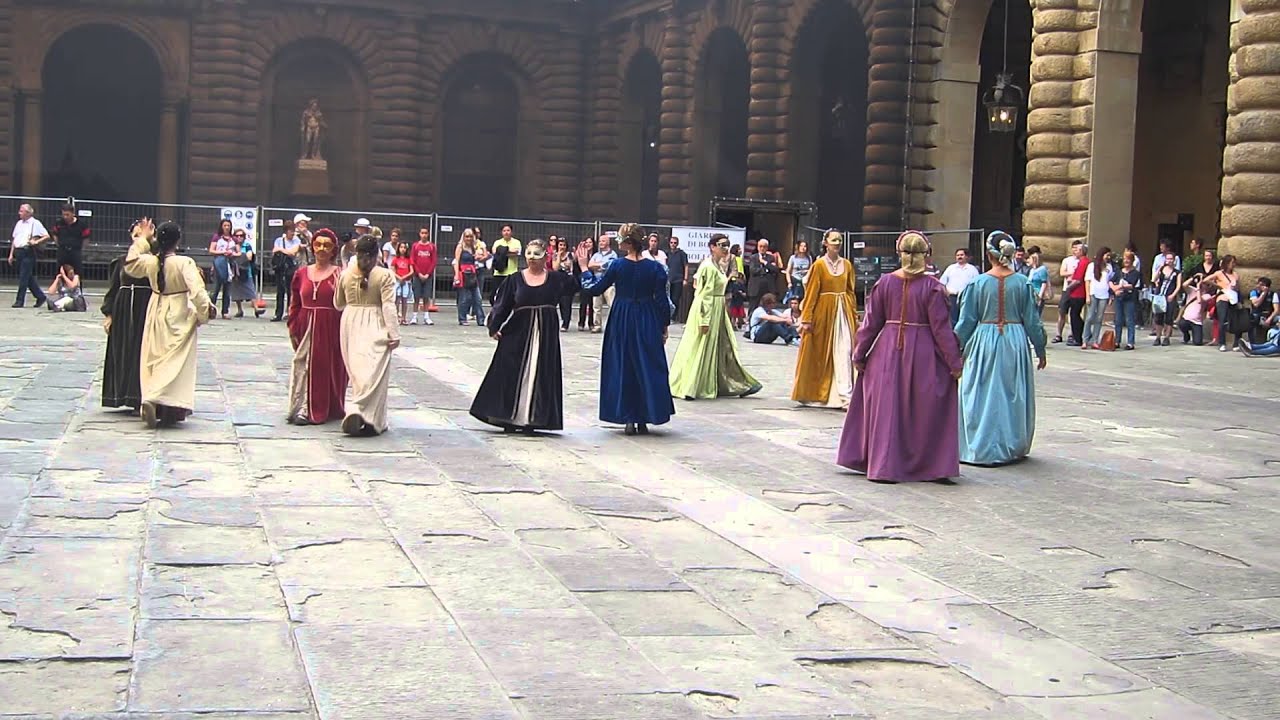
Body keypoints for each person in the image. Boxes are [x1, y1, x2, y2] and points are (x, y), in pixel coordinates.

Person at [838, 231, 963, 483]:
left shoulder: (885, 283)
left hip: (886, 352)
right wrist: (954, 364)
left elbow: (871, 323)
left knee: (888, 407)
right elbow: (941, 330)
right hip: (924, 354)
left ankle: (884, 465)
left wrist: (860, 354)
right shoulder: (933, 288)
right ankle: (929, 465)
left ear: (899, 253)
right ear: (926, 255)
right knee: (922, 409)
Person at [955, 232, 1048, 466]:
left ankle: (979, 444)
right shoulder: (1022, 283)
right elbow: (1033, 321)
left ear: (989, 255)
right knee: (1010, 392)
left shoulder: (977, 284)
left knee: (980, 391)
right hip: (1014, 340)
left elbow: (966, 321)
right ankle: (1010, 443)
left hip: (984, 339)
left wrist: (956, 346)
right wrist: (1040, 347)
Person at [471, 240, 579, 434]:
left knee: (540, 373)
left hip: (545, 333)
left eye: (536, 255)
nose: (531, 259)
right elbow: (501, 304)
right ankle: (509, 418)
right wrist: (494, 326)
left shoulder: (555, 279)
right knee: (511, 369)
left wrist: (572, 266)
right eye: (528, 254)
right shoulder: (515, 279)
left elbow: (576, 286)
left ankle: (533, 419)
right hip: (518, 331)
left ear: (545, 257)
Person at [575, 224, 675, 435]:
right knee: (647, 365)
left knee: (624, 364)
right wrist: (663, 325)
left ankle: (628, 417)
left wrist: (584, 269)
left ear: (628, 243)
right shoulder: (656, 268)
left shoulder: (617, 266)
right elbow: (662, 301)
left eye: (621, 240)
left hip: (623, 316)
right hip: (647, 316)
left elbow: (594, 289)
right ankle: (645, 416)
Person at [126, 218, 212, 428]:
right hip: (178, 311)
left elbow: (130, 264)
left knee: (153, 358)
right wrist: (205, 313)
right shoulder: (185, 263)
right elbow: (198, 292)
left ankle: (151, 397)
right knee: (175, 360)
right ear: (178, 240)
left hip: (156, 308)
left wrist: (142, 239)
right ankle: (158, 399)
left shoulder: (150, 261)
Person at [668, 234, 762, 400]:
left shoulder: (716, 265)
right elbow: (703, 294)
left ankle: (733, 382)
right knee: (702, 345)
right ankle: (692, 385)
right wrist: (704, 319)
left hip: (717, 309)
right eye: (721, 245)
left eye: (727, 245)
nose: (725, 248)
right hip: (708, 309)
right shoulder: (708, 267)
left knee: (722, 345)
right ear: (712, 246)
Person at [336, 235, 400, 436]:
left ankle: (363, 413)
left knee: (357, 372)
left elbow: (337, 303)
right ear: (377, 254)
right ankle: (363, 412)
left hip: (350, 321)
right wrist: (394, 332)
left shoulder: (345, 274)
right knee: (375, 373)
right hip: (376, 321)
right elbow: (388, 305)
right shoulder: (385, 275)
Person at [791, 230, 859, 407]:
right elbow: (812, 292)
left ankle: (845, 395)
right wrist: (806, 318)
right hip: (823, 313)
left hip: (842, 313)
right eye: (834, 239)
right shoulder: (819, 265)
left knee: (845, 351)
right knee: (820, 353)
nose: (837, 242)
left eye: (839, 240)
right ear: (826, 243)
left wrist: (854, 315)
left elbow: (850, 292)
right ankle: (817, 393)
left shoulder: (847, 265)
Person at [286, 229, 347, 426]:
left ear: (333, 250)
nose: (321, 249)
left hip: (329, 325)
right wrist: (292, 325)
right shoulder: (301, 273)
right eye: (318, 244)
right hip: (305, 324)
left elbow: (346, 304)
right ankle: (299, 404)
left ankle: (313, 408)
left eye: (326, 245)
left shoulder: (340, 274)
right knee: (302, 364)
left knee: (322, 366)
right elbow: (295, 302)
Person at [101, 236, 154, 410]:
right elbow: (113, 288)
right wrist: (109, 314)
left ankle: (139, 396)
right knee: (123, 349)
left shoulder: (153, 261)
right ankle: (120, 395)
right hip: (123, 308)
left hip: (145, 306)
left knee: (141, 349)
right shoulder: (122, 262)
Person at [9, 203, 50, 308]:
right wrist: (11, 254)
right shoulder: (19, 223)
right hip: (19, 251)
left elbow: (46, 236)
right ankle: (40, 296)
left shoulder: (35, 223)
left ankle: (20, 300)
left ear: (28, 213)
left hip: (28, 251)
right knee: (28, 277)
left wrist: (36, 242)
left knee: (23, 277)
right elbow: (15, 239)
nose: (19, 213)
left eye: (21, 211)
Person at [1208, 254, 1245, 352]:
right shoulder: (1219, 273)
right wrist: (1219, 286)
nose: (1233, 264)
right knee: (1222, 320)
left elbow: (1238, 288)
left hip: (1233, 299)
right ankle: (1222, 342)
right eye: (1232, 262)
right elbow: (1206, 279)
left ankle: (1236, 343)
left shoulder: (1235, 275)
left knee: (1236, 321)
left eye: (1234, 263)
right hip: (1223, 298)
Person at [1053, 240, 1086, 345]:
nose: (1076, 250)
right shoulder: (1067, 260)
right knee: (1062, 312)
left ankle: (1073, 335)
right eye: (1074, 248)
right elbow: (1062, 272)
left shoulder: (1081, 261)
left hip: (1076, 290)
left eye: (1078, 249)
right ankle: (1059, 334)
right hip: (1067, 289)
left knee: (1074, 314)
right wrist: (1073, 272)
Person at [271, 220, 304, 322]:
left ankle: (290, 312)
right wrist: (283, 250)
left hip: (291, 267)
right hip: (281, 268)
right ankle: (278, 313)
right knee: (280, 291)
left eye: (293, 231)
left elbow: (292, 253)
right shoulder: (279, 240)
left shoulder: (296, 240)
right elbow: (274, 250)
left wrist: (281, 250)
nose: (292, 233)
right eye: (290, 231)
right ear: (286, 231)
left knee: (291, 291)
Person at [453, 227, 487, 326]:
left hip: (472, 274)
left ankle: (481, 319)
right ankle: (462, 318)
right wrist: (456, 275)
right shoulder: (460, 247)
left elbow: (481, 258)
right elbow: (456, 261)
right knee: (464, 298)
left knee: (478, 298)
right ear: (463, 237)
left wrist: (480, 257)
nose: (468, 238)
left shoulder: (473, 247)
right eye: (467, 236)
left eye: (470, 236)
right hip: (463, 274)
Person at [1081, 246, 1113, 349]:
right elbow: (1087, 281)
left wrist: (1111, 295)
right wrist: (1087, 296)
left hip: (1104, 295)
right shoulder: (1092, 266)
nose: (1108, 257)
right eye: (1107, 255)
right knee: (1090, 317)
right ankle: (1085, 340)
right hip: (1093, 293)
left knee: (1099, 318)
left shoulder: (1109, 267)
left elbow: (1110, 281)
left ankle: (1094, 340)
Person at [939, 248, 981, 325]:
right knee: (952, 320)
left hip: (966, 298)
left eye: (961, 255)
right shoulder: (950, 268)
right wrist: (946, 292)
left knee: (964, 319)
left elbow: (977, 284)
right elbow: (941, 283)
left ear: (966, 257)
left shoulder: (972, 269)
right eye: (957, 255)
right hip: (952, 298)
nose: (959, 257)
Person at [1111, 251, 1141, 350]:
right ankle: (1117, 341)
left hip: (1130, 299)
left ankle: (1130, 342)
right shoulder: (1119, 271)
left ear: (1132, 261)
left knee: (1129, 320)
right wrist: (1114, 289)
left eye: (1128, 259)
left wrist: (1121, 286)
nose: (1126, 261)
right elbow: (1111, 281)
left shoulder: (1135, 273)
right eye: (1124, 259)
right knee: (1118, 320)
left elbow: (1132, 285)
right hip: (1119, 298)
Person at [208, 219, 238, 320]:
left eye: (228, 225)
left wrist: (232, 254)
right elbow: (211, 250)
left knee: (227, 289)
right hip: (219, 264)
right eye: (225, 225)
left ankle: (225, 311)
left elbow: (239, 252)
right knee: (215, 288)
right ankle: (211, 309)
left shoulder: (233, 239)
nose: (226, 227)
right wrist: (222, 252)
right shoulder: (217, 237)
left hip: (230, 265)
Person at [229, 228, 263, 318]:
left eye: (241, 236)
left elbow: (249, 257)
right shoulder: (232, 246)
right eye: (237, 236)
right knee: (236, 291)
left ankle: (256, 309)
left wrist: (238, 255)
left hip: (246, 271)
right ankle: (239, 310)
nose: (239, 237)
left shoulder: (247, 246)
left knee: (251, 290)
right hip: (235, 272)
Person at [589, 234, 619, 333]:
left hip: (609, 285)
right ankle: (597, 325)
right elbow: (590, 265)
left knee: (612, 305)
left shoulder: (613, 254)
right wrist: (602, 265)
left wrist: (597, 266)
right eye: (600, 241)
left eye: (603, 241)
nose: (601, 243)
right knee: (596, 307)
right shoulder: (596, 255)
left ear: (608, 242)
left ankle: (614, 325)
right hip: (597, 283)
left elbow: (610, 266)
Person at [1150, 253, 1181, 347]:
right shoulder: (1162, 270)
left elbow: (1178, 285)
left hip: (1170, 295)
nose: (1169, 260)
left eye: (1171, 259)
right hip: (1160, 295)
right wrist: (1159, 269)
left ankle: (1167, 337)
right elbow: (1154, 279)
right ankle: (1158, 337)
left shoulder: (1177, 272)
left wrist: (1173, 295)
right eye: (1168, 259)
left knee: (1169, 317)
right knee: (1158, 316)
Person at [52, 204, 90, 277]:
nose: (65, 217)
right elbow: (55, 234)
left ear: (73, 214)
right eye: (63, 214)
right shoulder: (59, 223)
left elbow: (86, 237)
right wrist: (59, 244)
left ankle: (77, 287)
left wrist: (81, 248)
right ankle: (60, 287)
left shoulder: (82, 224)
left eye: (67, 214)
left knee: (77, 271)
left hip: (75, 250)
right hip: (62, 250)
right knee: (60, 271)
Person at [410, 227, 436, 326]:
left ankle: (426, 316)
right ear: (419, 234)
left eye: (426, 233)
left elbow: (433, 261)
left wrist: (427, 274)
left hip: (428, 276)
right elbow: (413, 260)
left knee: (426, 296)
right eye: (422, 233)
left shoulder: (432, 246)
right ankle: (414, 317)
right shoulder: (415, 246)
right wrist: (419, 273)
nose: (424, 235)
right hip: (417, 275)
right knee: (416, 297)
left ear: (428, 234)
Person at [490, 224, 522, 304]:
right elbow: (494, 251)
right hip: (498, 273)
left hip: (511, 273)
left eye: (508, 230)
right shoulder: (497, 242)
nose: (506, 232)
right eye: (504, 231)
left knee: (511, 295)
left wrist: (501, 251)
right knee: (495, 295)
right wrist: (508, 251)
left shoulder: (516, 242)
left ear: (511, 232)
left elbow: (516, 252)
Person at [1177, 279, 1215, 346]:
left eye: (1204, 284)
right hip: (1187, 318)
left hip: (1197, 322)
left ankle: (1195, 335)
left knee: (1197, 342)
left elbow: (1199, 300)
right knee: (1181, 324)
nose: (1202, 285)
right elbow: (1184, 285)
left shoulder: (1207, 295)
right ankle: (1186, 335)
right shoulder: (1192, 290)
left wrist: (1198, 288)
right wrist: (1193, 277)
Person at [747, 238, 782, 311]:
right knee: (753, 307)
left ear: (767, 248)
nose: (762, 248)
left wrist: (764, 262)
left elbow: (775, 270)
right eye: (760, 246)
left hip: (768, 287)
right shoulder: (753, 257)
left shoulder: (771, 257)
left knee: (767, 307)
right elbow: (753, 270)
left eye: (764, 247)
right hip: (756, 287)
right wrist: (766, 270)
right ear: (757, 247)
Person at [551, 237, 578, 330]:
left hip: (568, 280)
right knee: (560, 302)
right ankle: (562, 319)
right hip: (558, 280)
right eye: (560, 245)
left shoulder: (570, 255)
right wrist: (558, 255)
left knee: (567, 302)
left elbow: (572, 265)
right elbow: (555, 268)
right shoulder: (554, 255)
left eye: (564, 245)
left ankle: (566, 323)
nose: (562, 247)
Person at [666, 236, 690, 324]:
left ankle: (673, 317)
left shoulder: (682, 254)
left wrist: (685, 279)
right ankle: (667, 316)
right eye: (671, 242)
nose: (673, 244)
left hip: (678, 279)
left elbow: (686, 266)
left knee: (675, 299)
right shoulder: (667, 253)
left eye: (675, 243)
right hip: (668, 279)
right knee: (668, 299)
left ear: (677, 244)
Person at [391, 241, 414, 325]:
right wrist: (399, 278)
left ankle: (404, 317)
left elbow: (412, 271)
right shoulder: (395, 259)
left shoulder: (409, 259)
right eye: (401, 247)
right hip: (397, 281)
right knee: (397, 299)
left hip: (406, 281)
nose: (403, 249)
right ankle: (397, 317)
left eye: (404, 247)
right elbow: (392, 270)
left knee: (405, 300)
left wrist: (404, 277)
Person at [1250, 277, 1277, 341]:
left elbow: (1276, 310)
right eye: (1258, 284)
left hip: (1269, 314)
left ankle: (1274, 339)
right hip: (1257, 314)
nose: (1258, 286)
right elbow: (1256, 304)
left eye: (1261, 285)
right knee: (1253, 319)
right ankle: (1253, 341)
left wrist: (1269, 319)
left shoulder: (1273, 294)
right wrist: (1263, 294)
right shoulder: (1254, 292)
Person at [1027, 245, 1050, 314]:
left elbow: (1044, 283)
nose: (1028, 260)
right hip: (1030, 294)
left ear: (1034, 260)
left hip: (1037, 294)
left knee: (1036, 314)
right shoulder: (1032, 270)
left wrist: (1039, 297)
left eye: (1029, 258)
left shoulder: (1042, 269)